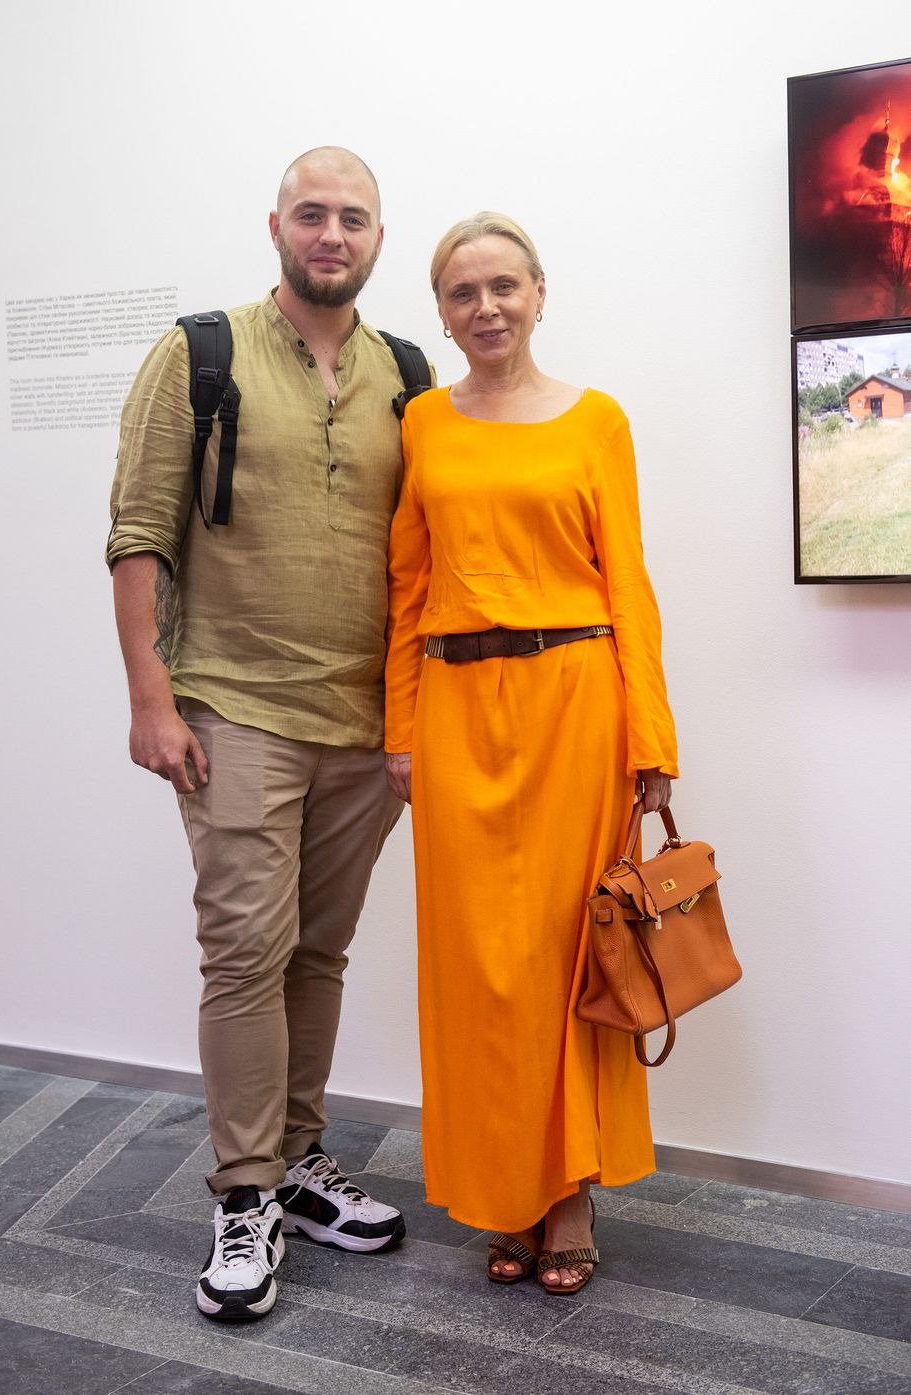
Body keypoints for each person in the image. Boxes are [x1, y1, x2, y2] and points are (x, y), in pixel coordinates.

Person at [108, 147, 428, 1323]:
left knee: (317, 954)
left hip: (365, 724)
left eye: (353, 217)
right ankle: (244, 1192)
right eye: (311, 214)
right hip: (232, 706)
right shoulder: (198, 352)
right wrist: (151, 699)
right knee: (246, 951)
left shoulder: (408, 373)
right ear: (277, 226)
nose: (331, 234)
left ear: (378, 237)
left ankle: (297, 1161)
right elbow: (138, 531)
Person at [384, 213, 678, 1296]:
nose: (486, 307)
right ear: (441, 311)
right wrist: (399, 730)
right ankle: (502, 1187)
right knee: (476, 966)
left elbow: (626, 582)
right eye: (463, 292)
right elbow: (407, 587)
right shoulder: (422, 421)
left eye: (504, 285)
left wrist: (651, 734)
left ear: (540, 293)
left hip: (573, 706)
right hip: (456, 712)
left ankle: (568, 1195)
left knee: (566, 952)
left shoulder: (596, 420)